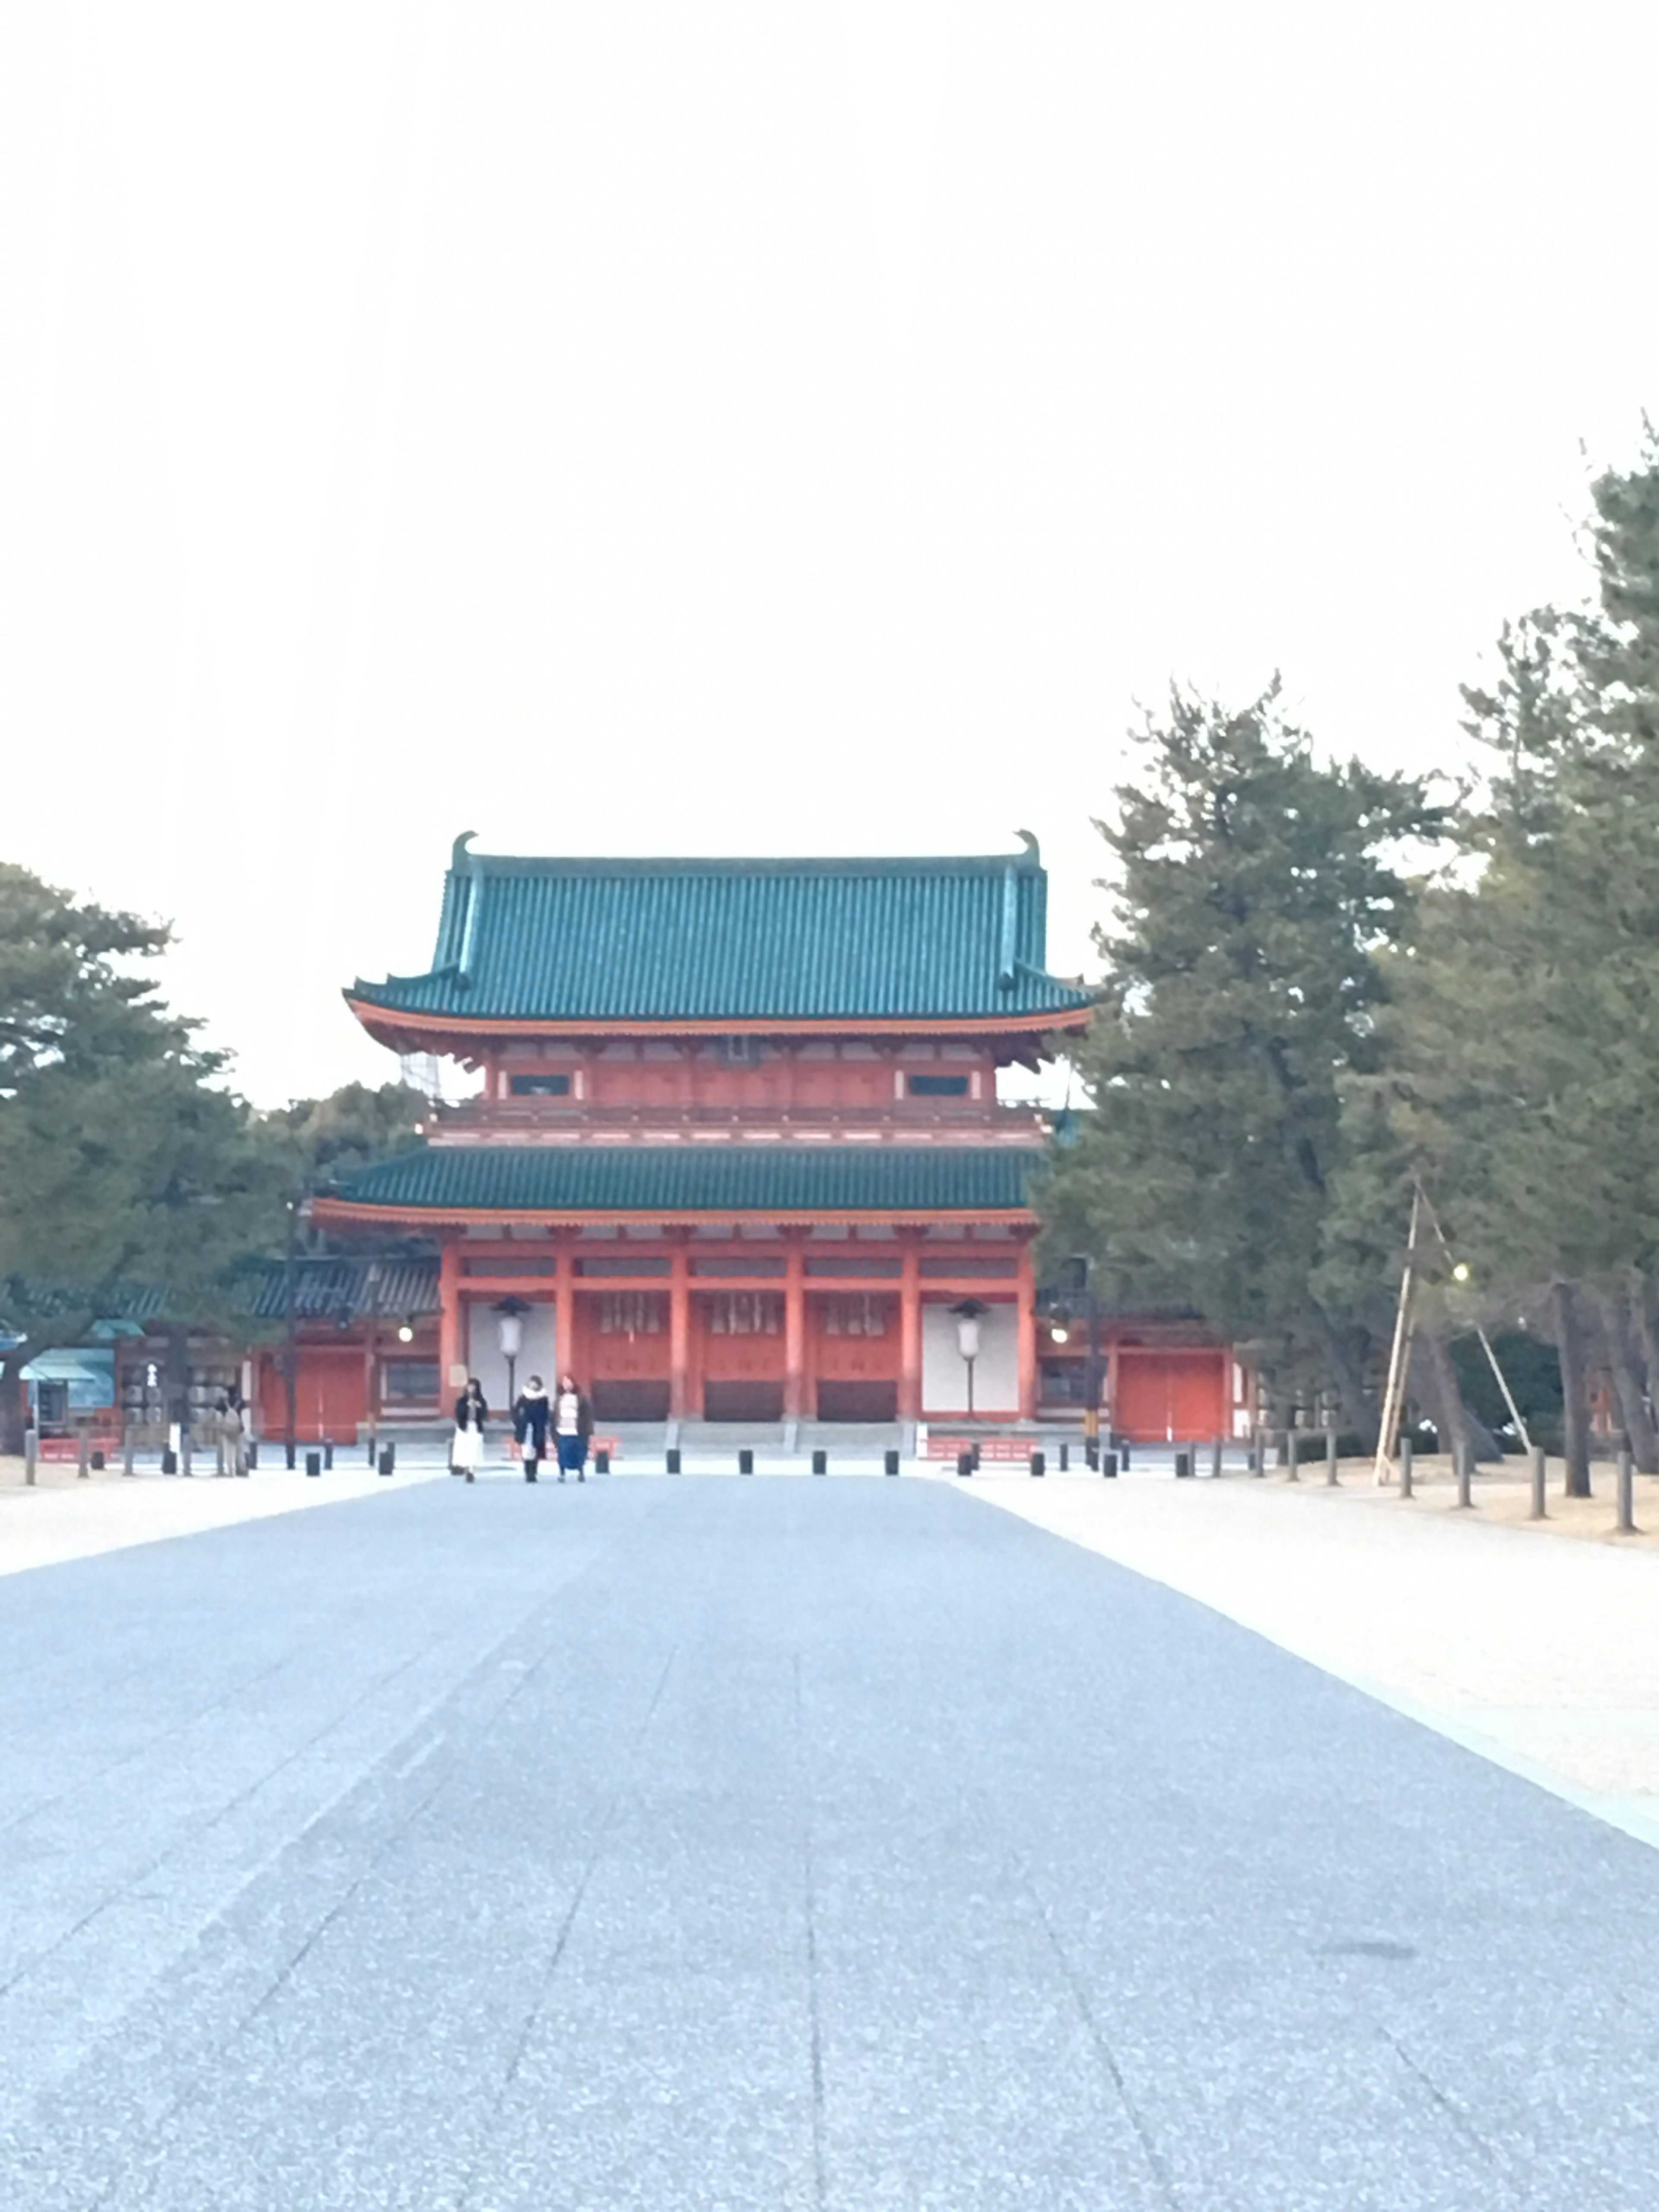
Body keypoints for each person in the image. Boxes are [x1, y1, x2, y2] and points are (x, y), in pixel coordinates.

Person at [551, 1370, 593, 1483]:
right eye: (565, 1382)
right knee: (563, 1453)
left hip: (577, 1429)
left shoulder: (581, 1399)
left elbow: (587, 1415)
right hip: (563, 1430)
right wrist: (553, 1430)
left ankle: (581, 1472)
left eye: (569, 1382)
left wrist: (588, 1429)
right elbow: (554, 1416)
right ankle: (562, 1473)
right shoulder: (559, 1399)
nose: (567, 1385)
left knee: (578, 1452)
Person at [512, 1375, 551, 1482]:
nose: (533, 1386)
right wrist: (520, 1421)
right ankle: (527, 1472)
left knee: (536, 1450)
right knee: (526, 1450)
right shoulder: (523, 1398)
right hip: (526, 1427)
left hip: (538, 1427)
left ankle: (533, 1473)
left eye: (535, 1384)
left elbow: (546, 1414)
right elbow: (516, 1412)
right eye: (531, 1383)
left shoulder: (543, 1399)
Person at [452, 1378, 488, 1483]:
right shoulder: (462, 1401)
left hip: (475, 1427)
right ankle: (465, 1468)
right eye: (470, 1387)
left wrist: (479, 1408)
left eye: (474, 1387)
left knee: (474, 1449)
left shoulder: (481, 1400)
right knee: (464, 1449)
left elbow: (485, 1414)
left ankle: (471, 1470)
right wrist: (466, 1407)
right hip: (464, 1427)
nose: (471, 1389)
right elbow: (458, 1413)